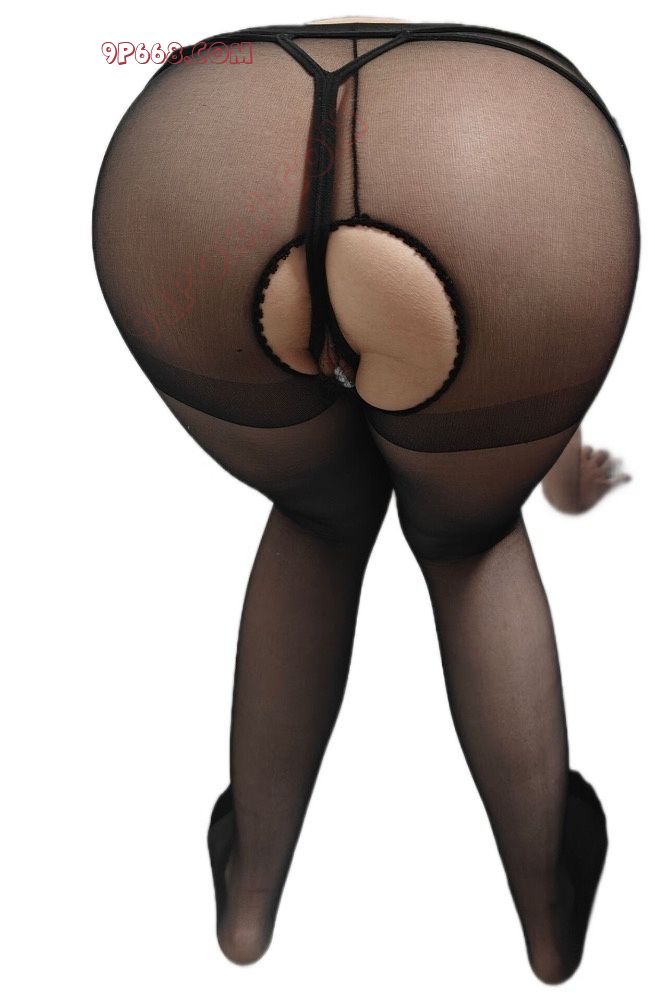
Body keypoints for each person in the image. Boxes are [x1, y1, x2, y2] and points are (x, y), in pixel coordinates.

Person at [92, 17, 639, 984]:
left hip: (203, 132)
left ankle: (247, 906)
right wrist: (556, 468)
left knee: (316, 518)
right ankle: (547, 928)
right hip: (495, 135)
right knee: (468, 542)